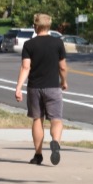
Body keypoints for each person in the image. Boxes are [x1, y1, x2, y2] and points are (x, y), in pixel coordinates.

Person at [14, 13, 69, 166]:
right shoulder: (58, 43)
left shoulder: (29, 45)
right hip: (53, 87)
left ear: (35, 27)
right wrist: (63, 81)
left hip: (34, 88)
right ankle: (55, 142)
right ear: (49, 26)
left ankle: (38, 155)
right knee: (56, 120)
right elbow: (62, 66)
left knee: (38, 119)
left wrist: (18, 88)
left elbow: (26, 67)